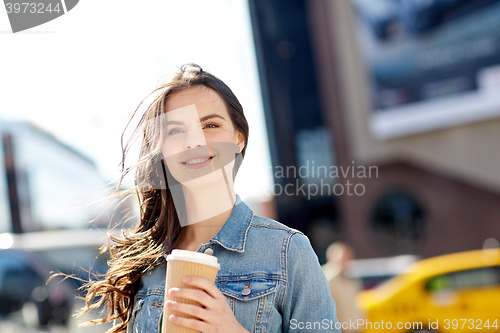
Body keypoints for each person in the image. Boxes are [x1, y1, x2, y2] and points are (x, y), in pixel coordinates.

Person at [79, 64, 341, 333]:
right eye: (176, 131)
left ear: (239, 138)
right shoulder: (147, 261)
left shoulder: (288, 252)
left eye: (211, 124)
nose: (195, 141)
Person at [322, 242, 363, 333]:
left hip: (353, 328)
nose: (348, 260)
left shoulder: (351, 278)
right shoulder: (326, 278)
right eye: (344, 257)